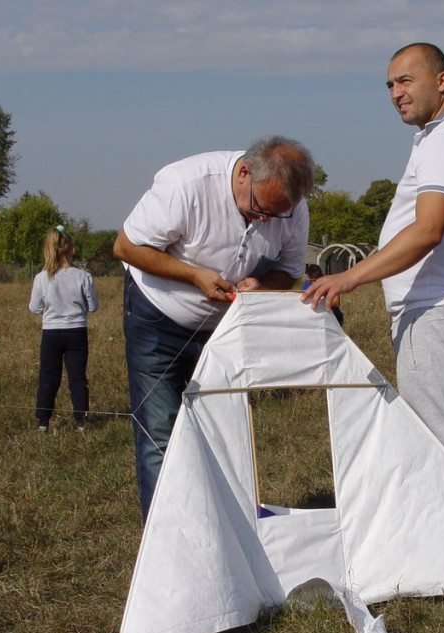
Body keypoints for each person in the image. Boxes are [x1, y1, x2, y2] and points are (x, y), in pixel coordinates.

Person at [302, 43, 444, 488]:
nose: (395, 93)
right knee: (434, 441)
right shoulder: (436, 138)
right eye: (389, 84)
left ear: (441, 81)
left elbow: (427, 230)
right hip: (435, 311)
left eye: (406, 80)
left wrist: (348, 277)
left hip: (435, 313)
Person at [114, 135, 315, 521]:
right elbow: (126, 247)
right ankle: (170, 541)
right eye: (261, 209)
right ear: (243, 173)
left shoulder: (291, 209)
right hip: (158, 319)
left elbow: (288, 272)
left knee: (226, 432)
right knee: (161, 435)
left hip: (226, 332)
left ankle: (228, 530)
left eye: (277, 215)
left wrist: (261, 285)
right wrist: (193, 276)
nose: (266, 221)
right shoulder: (186, 185)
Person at [29, 226, 99, 432]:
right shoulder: (83, 276)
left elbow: (34, 308)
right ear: (72, 250)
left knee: (48, 378)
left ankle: (43, 421)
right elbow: (93, 307)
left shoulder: (42, 278)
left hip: (51, 333)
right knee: (77, 378)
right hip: (77, 331)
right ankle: (81, 421)